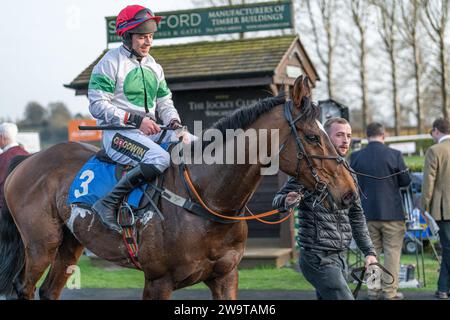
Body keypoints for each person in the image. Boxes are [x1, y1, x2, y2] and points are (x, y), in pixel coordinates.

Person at [88, 5, 193, 233]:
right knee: (160, 159)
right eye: (142, 37)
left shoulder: (154, 66)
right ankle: (109, 202)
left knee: (198, 145)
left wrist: (174, 121)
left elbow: (165, 102)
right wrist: (135, 121)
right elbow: (97, 105)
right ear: (127, 36)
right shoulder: (109, 62)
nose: (148, 42)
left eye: (151, 37)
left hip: (150, 131)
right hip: (118, 134)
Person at [273, 117, 377, 300]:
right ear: (325, 139)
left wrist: (369, 252)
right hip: (317, 258)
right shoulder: (309, 171)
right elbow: (277, 201)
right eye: (339, 135)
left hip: (340, 257)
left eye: (348, 135)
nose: (345, 140)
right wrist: (286, 200)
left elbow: (357, 216)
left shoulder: (349, 174)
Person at [350, 122, 411, 300]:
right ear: (383, 135)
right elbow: (405, 181)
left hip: (365, 213)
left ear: (367, 136)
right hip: (392, 213)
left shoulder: (356, 156)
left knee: (371, 252)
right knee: (392, 253)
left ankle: (373, 290)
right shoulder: (395, 155)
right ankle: (389, 292)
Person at [421, 118, 450, 299]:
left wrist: (424, 207)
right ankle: (444, 288)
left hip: (444, 208)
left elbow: (428, 182)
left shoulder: (435, 150)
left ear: (436, 131)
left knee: (447, 248)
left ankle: (443, 288)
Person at [0, 122, 29, 211]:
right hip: (26, 205)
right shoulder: (27, 155)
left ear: (1, 137)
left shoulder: (3, 158)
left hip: (6, 208)